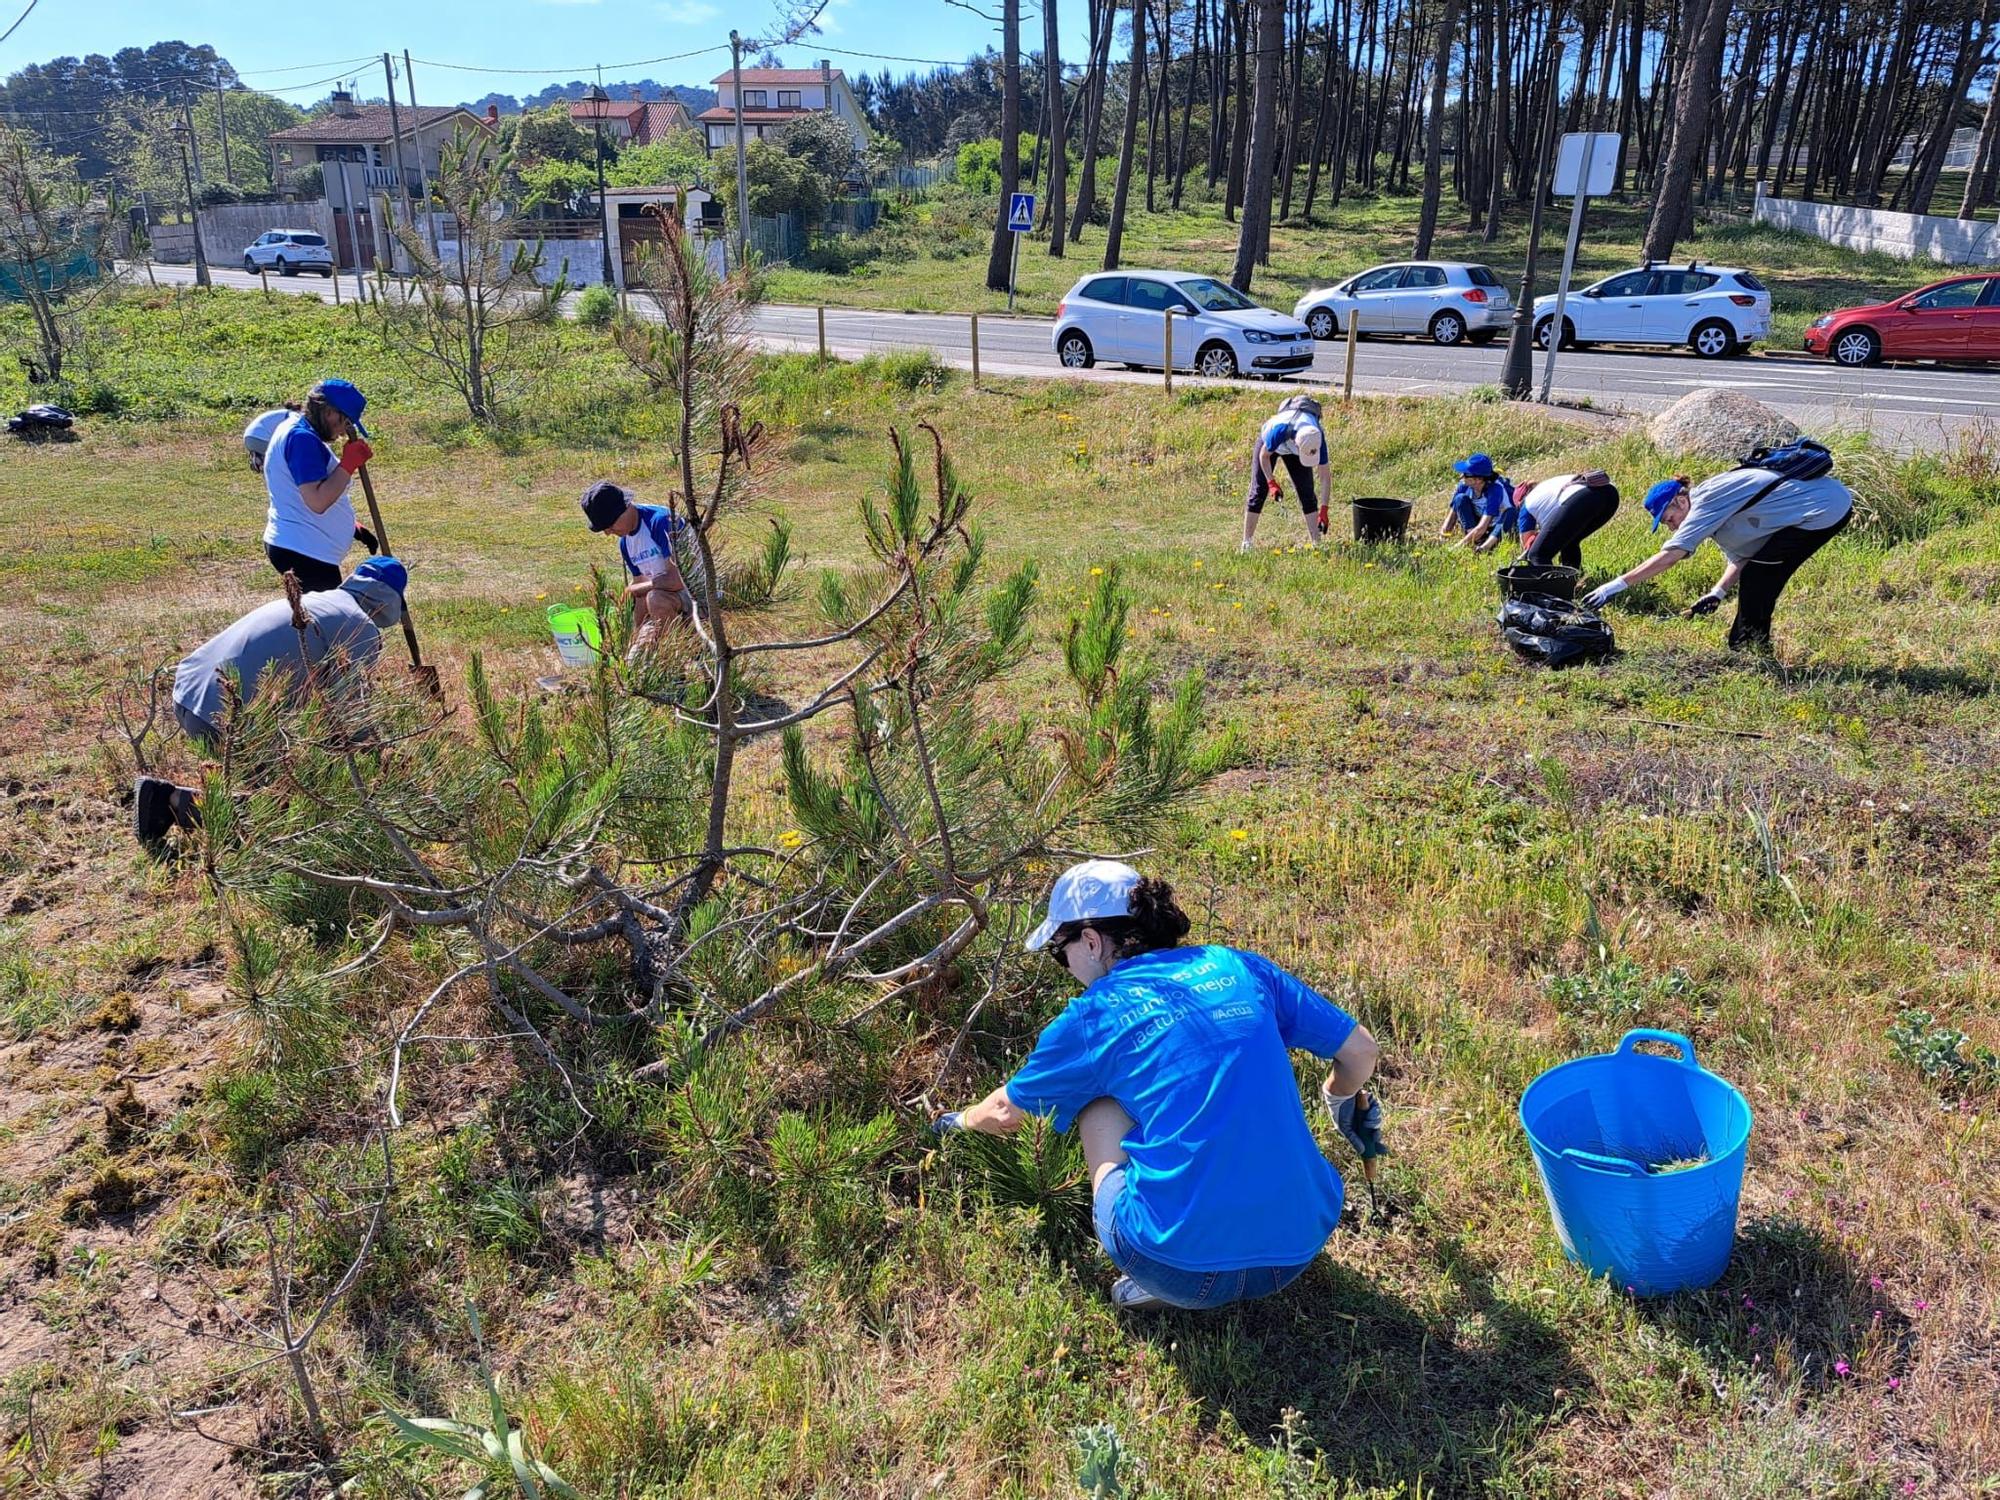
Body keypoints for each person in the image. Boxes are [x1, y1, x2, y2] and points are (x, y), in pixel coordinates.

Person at [936, 860, 1385, 1311]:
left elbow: (1006, 1113)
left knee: (1098, 1097)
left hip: (1180, 1266)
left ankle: (1160, 1282)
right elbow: (1361, 1052)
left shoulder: (1093, 1016)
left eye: (1059, 950)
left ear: (1091, 941)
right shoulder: (1237, 966)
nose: (1063, 965)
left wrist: (952, 1123)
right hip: (1298, 1249)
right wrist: (1338, 1094)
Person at [133, 558, 408, 850]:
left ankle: (186, 806)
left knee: (276, 787)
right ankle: (167, 802)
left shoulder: (317, 599)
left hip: (188, 693)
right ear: (388, 602)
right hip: (225, 715)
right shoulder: (360, 628)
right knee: (290, 808)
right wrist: (383, 762)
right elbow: (350, 716)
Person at [1582, 462, 1855, 652]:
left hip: (1826, 509)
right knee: (1758, 570)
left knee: (1762, 575)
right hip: (1821, 508)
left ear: (1680, 501)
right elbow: (1742, 558)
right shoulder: (1718, 520)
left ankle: (1748, 648)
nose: (1673, 526)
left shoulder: (1706, 501)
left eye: (1670, 519)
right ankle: (1747, 646)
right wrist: (1717, 593)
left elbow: (1671, 555)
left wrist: (1613, 587)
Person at [261, 378, 378, 592]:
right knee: (332, 624)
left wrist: (353, 527)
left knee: (319, 621)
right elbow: (317, 500)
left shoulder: (299, 429)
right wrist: (348, 463)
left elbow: (301, 492)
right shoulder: (301, 439)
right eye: (345, 422)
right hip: (304, 551)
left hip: (303, 547)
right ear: (330, 412)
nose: (344, 431)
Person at [578, 480, 698, 653]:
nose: (607, 532)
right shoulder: (626, 543)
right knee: (635, 655)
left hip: (697, 595)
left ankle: (683, 660)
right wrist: (637, 634)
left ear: (625, 508)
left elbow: (678, 580)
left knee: (656, 599)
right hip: (665, 604)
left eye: (610, 524)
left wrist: (633, 590)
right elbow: (641, 595)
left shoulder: (661, 522)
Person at [1241, 402, 1327, 551]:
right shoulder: (1279, 430)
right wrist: (1271, 482)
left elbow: (1325, 476)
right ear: (1296, 443)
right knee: (1259, 490)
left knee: (1306, 493)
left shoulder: (1317, 438)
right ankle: (1246, 543)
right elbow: (1264, 456)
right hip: (1270, 446)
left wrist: (1324, 509)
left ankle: (1317, 545)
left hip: (1297, 446)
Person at [1517, 469, 1622, 570]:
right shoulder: (1547, 489)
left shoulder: (1526, 505)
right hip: (1610, 495)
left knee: (1538, 554)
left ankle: (1551, 588)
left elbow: (1527, 545)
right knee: (1570, 541)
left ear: (1519, 501)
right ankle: (1573, 582)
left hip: (1585, 497)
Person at [1440, 453, 1517, 550]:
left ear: (1478, 479)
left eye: (1466, 474)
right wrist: (1443, 536)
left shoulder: (1495, 490)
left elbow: (1482, 527)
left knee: (1511, 512)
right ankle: (1474, 540)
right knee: (1460, 499)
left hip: (1496, 526)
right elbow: (1451, 515)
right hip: (1478, 525)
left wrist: (1456, 548)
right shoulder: (1464, 485)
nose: (1461, 476)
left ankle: (1484, 547)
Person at [242, 403, 300, 474]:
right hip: (260, 438)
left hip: (248, 437)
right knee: (281, 462)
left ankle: (260, 459)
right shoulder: (295, 417)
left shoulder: (280, 414)